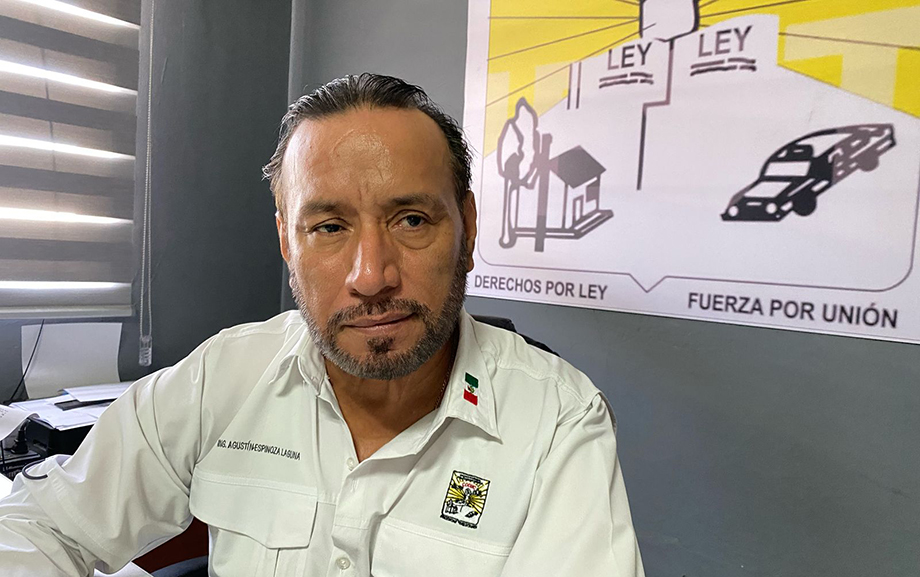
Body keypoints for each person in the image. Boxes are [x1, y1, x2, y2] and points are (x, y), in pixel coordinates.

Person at [0, 73, 644, 576]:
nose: (371, 276)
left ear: (468, 229)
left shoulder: (558, 421)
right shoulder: (223, 377)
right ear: (287, 241)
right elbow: (41, 524)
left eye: (411, 220)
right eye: (330, 227)